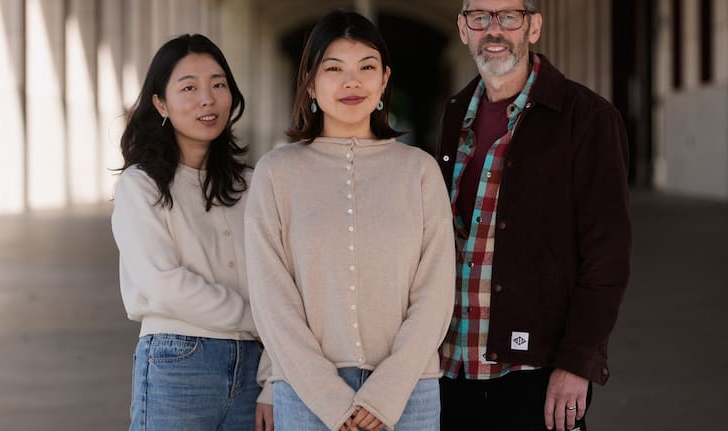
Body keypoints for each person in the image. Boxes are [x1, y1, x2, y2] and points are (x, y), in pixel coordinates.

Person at [244, 10, 455, 431]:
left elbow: (435, 291)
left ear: (385, 80)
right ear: (310, 83)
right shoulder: (276, 172)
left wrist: (388, 392)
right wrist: (329, 398)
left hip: (407, 395)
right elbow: (271, 299)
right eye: (334, 68)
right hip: (306, 396)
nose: (352, 81)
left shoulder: (419, 170)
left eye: (366, 68)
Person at [435, 1, 632, 431]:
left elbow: (608, 257)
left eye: (509, 16)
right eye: (479, 17)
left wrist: (578, 362)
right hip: (452, 367)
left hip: (534, 373)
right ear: (463, 29)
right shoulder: (455, 113)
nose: (494, 29)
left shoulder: (587, 118)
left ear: (534, 27)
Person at [110, 33, 273, 431]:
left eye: (218, 85)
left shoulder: (253, 185)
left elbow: (278, 285)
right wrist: (259, 319)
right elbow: (164, 284)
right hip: (178, 359)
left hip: (254, 368)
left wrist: (273, 379)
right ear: (160, 103)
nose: (207, 99)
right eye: (189, 88)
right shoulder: (140, 186)